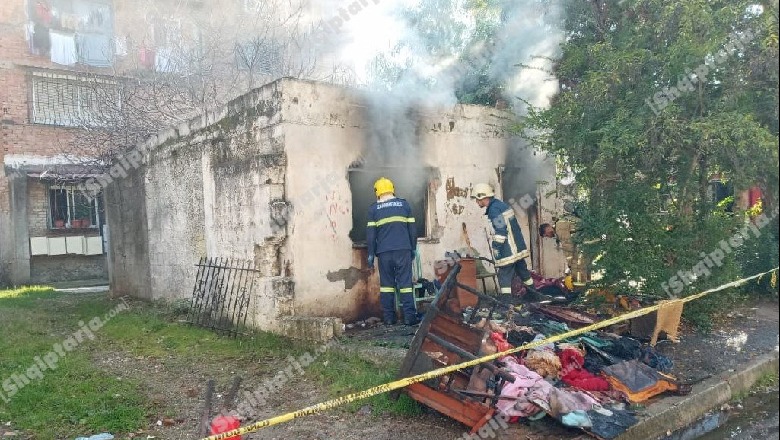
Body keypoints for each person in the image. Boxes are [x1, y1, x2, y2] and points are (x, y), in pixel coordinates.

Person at [472, 183, 544, 301]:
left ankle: (506, 303)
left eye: (477, 199)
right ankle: (535, 296)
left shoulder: (494, 210)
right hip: (517, 247)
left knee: (504, 275)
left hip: (508, 249)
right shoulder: (500, 205)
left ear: (483, 197)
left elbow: (501, 230)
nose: (476, 202)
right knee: (523, 272)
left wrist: (496, 247)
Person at [366, 177, 419, 326]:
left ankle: (389, 318)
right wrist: (412, 248)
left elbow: (371, 235)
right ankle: (409, 317)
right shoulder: (404, 205)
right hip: (403, 250)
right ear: (392, 189)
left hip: (384, 252)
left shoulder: (374, 209)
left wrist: (371, 254)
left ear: (377, 192)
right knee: (406, 284)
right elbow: (412, 230)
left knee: (387, 285)